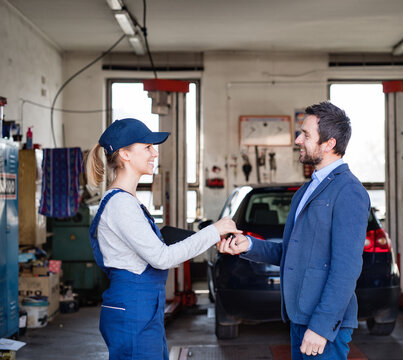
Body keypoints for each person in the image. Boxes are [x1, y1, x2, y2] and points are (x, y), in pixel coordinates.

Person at [218, 102, 370, 359]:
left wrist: (321, 327)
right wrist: (250, 245)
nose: (298, 139)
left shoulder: (349, 191)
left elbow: (346, 268)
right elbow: (293, 252)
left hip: (321, 323)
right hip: (299, 315)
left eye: (306, 135)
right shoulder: (306, 190)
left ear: (329, 143)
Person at [86, 118, 241, 360]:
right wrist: (213, 231)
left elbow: (157, 248)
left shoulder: (125, 200)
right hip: (134, 306)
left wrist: (208, 239)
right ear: (125, 154)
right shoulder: (121, 204)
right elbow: (161, 258)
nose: (155, 153)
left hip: (142, 306)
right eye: (147, 147)